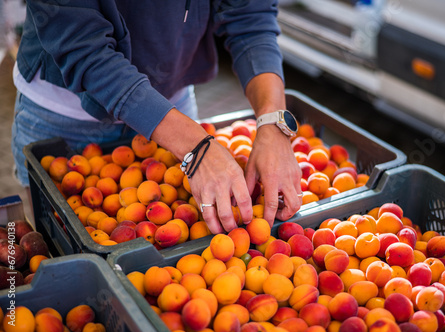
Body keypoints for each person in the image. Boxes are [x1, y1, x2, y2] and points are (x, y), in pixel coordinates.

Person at [11, 0, 302, 234]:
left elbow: (250, 17)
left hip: (172, 108)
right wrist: (196, 146)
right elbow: (82, 47)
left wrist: (273, 122)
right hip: (66, 119)